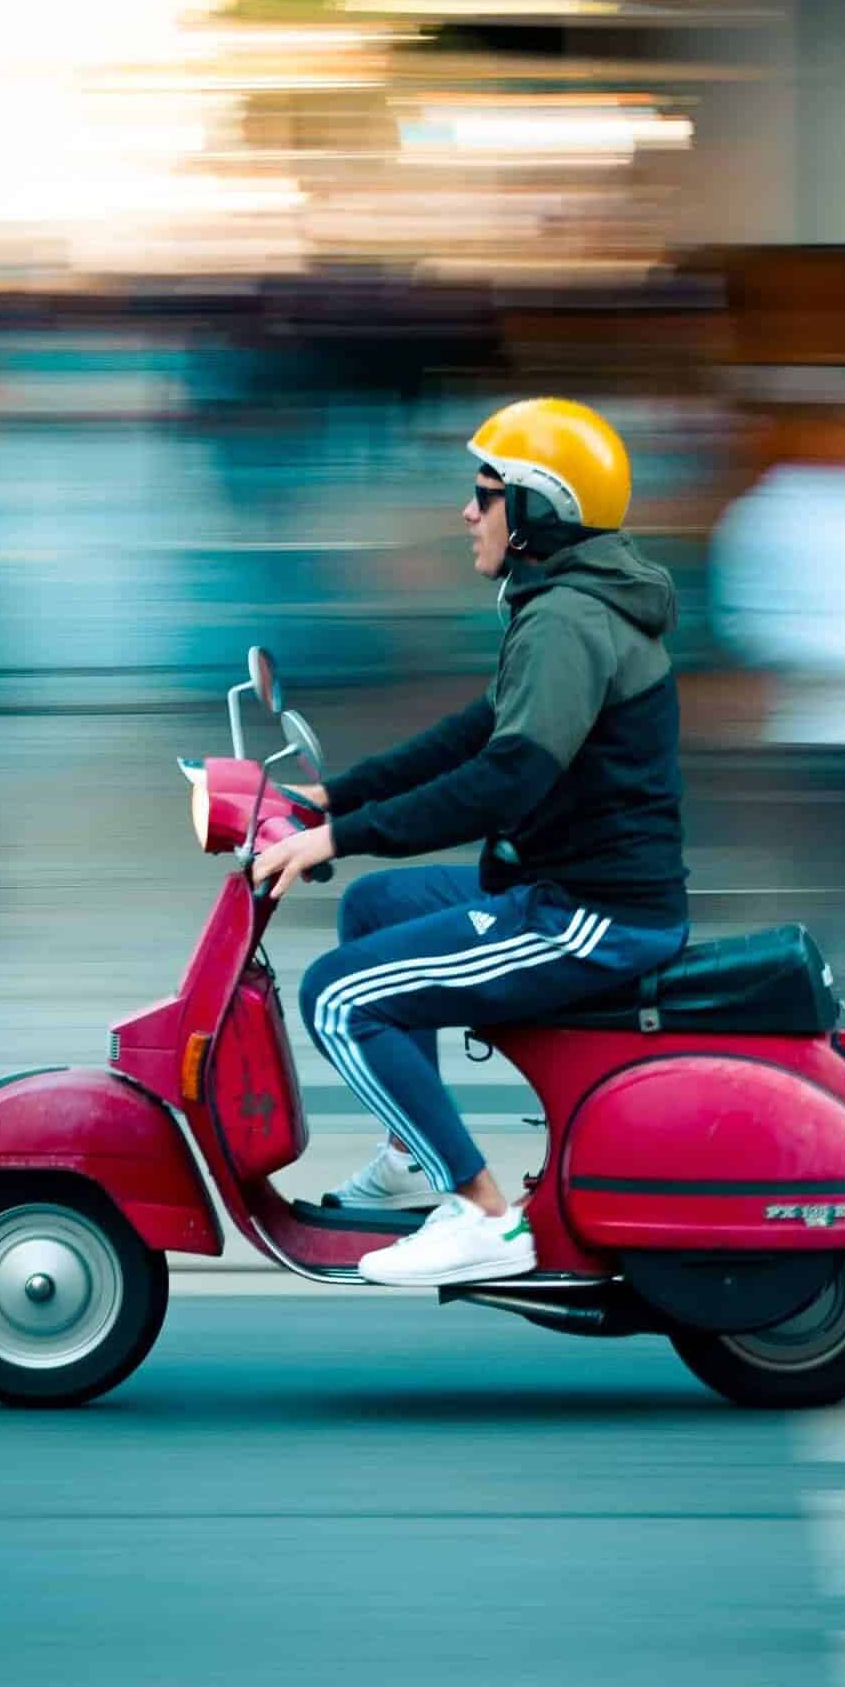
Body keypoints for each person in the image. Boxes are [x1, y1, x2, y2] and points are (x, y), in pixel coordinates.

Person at [250, 397, 690, 1287]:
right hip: (566, 887)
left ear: (537, 512)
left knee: (339, 998)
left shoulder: (567, 621)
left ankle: (485, 1215)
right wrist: (332, 796)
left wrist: (345, 832)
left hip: (591, 913)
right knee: (374, 909)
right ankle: (415, 1158)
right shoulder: (564, 604)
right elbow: (473, 734)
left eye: (485, 494)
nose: (467, 511)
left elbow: (504, 781)